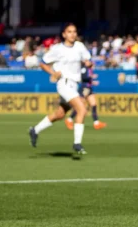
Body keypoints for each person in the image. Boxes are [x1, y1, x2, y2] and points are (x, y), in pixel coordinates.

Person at [29, 23, 93, 158]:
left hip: (75, 84)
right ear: (64, 34)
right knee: (82, 109)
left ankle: (35, 130)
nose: (72, 34)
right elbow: (43, 62)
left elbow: (88, 60)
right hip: (64, 83)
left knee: (60, 114)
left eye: (74, 31)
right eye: (69, 32)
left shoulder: (80, 46)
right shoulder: (57, 49)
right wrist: (53, 72)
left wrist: (88, 63)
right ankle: (77, 143)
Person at [65, 65, 107, 130]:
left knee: (94, 104)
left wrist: (93, 82)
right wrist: (91, 76)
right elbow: (83, 77)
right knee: (80, 105)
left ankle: (96, 123)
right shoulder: (84, 68)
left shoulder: (89, 69)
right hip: (84, 88)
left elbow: (88, 80)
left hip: (89, 88)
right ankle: (69, 119)